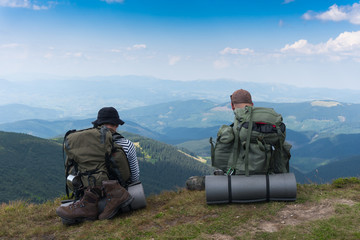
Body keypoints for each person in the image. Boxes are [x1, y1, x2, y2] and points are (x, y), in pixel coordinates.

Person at [56, 107, 140, 223]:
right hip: (120, 193)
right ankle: (116, 195)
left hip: (88, 196)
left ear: (98, 124)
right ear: (116, 124)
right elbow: (134, 177)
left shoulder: (83, 146)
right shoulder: (127, 144)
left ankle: (88, 206)